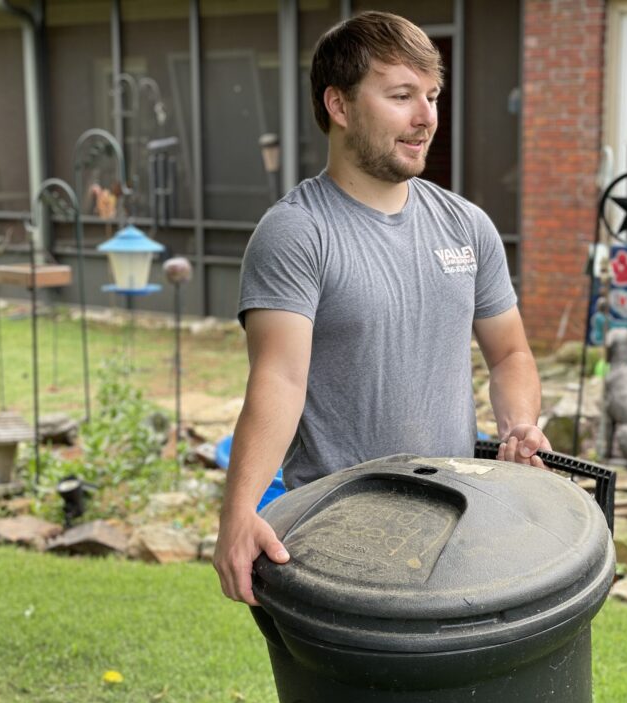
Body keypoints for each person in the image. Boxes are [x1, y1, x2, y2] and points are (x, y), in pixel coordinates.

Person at [215, 11, 550, 606]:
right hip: (339, 532)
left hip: (455, 521)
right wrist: (240, 512)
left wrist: (519, 423)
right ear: (339, 106)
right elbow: (279, 378)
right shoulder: (297, 233)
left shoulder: (467, 225)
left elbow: (510, 353)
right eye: (401, 96)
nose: (426, 118)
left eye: (432, 96)